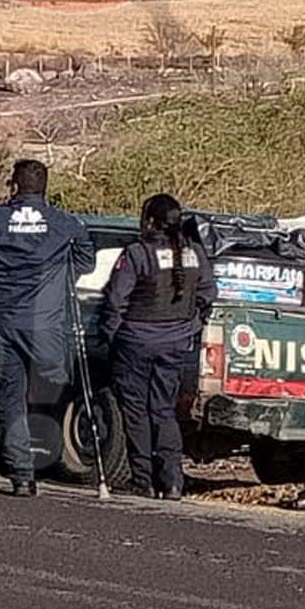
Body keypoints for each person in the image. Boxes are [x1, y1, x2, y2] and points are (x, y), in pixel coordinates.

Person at [0, 159, 94, 497]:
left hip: (3, 321)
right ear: (44, 187)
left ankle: (22, 473)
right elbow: (85, 261)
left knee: (10, 395)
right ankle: (50, 449)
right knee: (58, 385)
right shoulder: (65, 224)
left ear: (14, 186)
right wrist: (57, 282)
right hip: (47, 324)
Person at [101, 193, 217, 500]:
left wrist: (111, 334)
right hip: (176, 343)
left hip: (135, 343)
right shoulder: (194, 252)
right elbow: (208, 294)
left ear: (150, 221)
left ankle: (143, 479)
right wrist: (190, 324)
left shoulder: (138, 253)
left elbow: (115, 300)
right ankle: (173, 480)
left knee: (136, 411)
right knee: (164, 410)